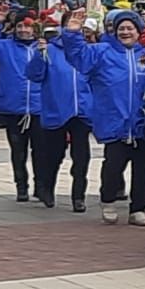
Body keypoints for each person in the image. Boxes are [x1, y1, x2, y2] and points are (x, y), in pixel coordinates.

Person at [26, 18, 92, 211]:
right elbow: (34, 75)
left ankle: (78, 196)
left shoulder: (87, 51)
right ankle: (47, 187)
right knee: (54, 154)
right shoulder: (50, 50)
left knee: (81, 156)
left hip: (81, 110)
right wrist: (39, 56)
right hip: (56, 109)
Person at [0, 4, 45, 203]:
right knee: (18, 150)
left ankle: (41, 186)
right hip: (13, 107)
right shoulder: (4, 47)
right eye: (20, 27)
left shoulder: (43, 48)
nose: (24, 30)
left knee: (41, 151)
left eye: (28, 27)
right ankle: (21, 185)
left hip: (39, 107)